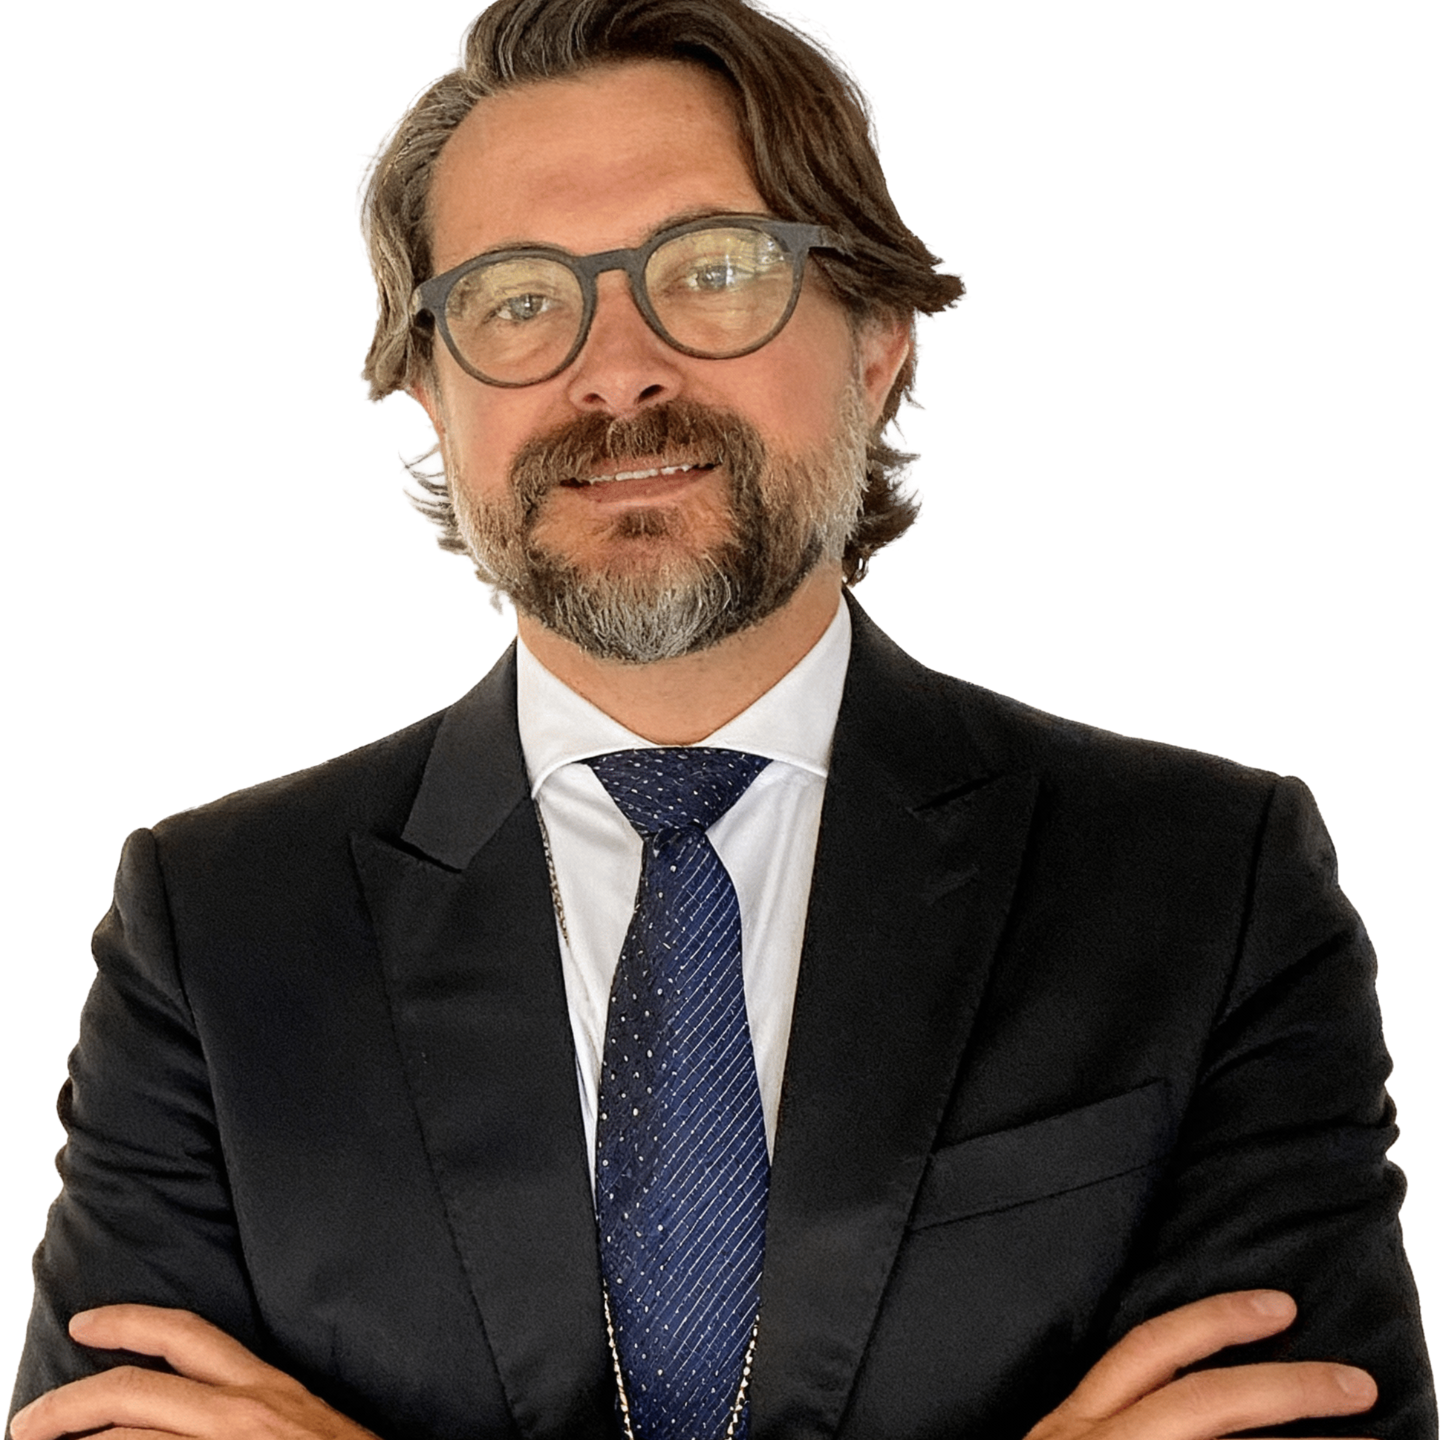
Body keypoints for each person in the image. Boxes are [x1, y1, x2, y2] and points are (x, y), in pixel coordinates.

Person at [6, 1, 1434, 1437]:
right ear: (431, 392)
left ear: (875, 338)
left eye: (714, 271)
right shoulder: (220, 924)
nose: (616, 370)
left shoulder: (1205, 880)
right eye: (517, 299)